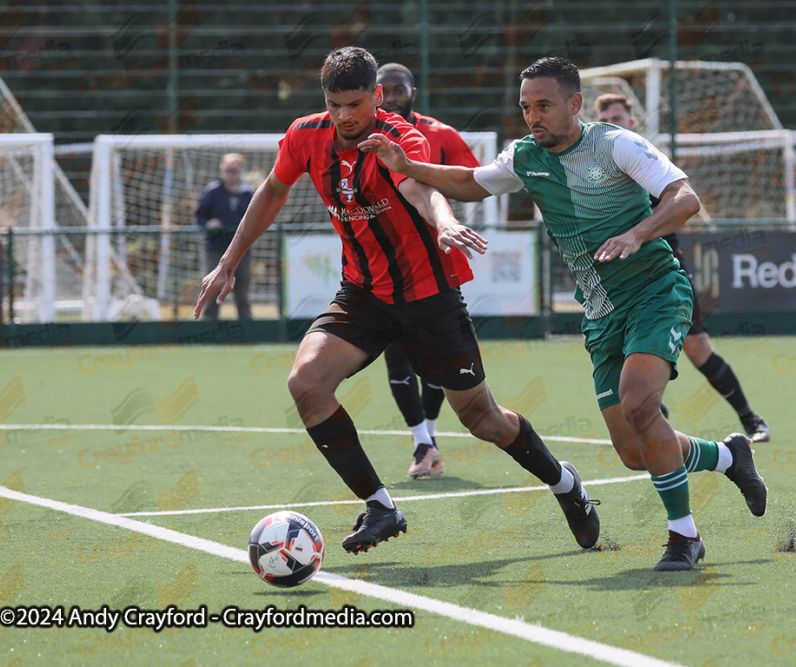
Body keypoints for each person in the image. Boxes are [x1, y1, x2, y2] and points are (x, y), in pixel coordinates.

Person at [361, 57, 767, 571]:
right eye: (526, 107)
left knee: (641, 405)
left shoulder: (615, 143)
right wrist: (408, 167)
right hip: (600, 311)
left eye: (545, 105)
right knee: (634, 451)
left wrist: (638, 233)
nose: (534, 116)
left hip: (655, 291)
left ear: (574, 104)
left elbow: (684, 197)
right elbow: (469, 181)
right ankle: (730, 456)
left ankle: (684, 538)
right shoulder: (525, 156)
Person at [195, 48, 600, 555]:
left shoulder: (399, 138)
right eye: (335, 103)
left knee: (484, 420)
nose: (345, 115)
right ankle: (381, 507)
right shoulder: (305, 135)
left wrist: (446, 222)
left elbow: (420, 188)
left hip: (428, 298)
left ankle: (566, 485)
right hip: (362, 294)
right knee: (306, 381)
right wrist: (229, 260)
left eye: (356, 103)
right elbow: (274, 189)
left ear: (377, 96)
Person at [594, 93, 770, 443]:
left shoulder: (645, 159)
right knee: (620, 348)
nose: (614, 124)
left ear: (632, 123)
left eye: (619, 117)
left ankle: (751, 420)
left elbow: (681, 205)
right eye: (606, 120)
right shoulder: (592, 169)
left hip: (662, 270)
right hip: (615, 276)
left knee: (697, 349)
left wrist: (639, 234)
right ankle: (653, 411)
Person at [377, 62, 482, 478]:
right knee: (396, 353)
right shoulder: (361, 135)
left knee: (438, 358)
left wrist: (446, 215)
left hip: (435, 261)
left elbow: (472, 180)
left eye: (400, 88)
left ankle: (430, 436)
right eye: (385, 89)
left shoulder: (441, 135)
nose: (394, 95)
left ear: (413, 91)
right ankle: (422, 441)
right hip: (384, 262)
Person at [196, 153, 254, 320]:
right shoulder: (212, 192)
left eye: (234, 170)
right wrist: (208, 224)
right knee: (212, 288)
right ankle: (210, 325)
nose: (231, 174)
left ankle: (246, 327)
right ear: (222, 171)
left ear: (240, 171)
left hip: (242, 250)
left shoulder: (247, 193)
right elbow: (199, 215)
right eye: (228, 170)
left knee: (242, 290)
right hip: (216, 248)